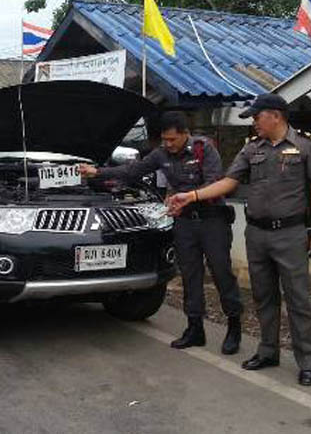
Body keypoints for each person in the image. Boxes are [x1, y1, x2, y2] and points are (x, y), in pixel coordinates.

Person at [168, 93, 311, 387]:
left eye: (257, 117)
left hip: (290, 234)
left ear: (276, 115)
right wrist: (190, 196)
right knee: (263, 296)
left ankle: (307, 360)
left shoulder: (306, 145)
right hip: (256, 234)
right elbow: (229, 182)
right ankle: (268, 351)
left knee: (298, 299)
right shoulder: (251, 149)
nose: (253, 123)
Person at [80, 112, 243, 354]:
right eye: (164, 140)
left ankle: (234, 328)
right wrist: (97, 172)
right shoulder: (161, 154)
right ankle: (194, 328)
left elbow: (213, 185)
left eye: (173, 140)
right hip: (184, 223)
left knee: (221, 273)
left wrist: (185, 198)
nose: (168, 145)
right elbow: (132, 171)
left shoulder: (204, 149)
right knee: (190, 275)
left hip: (211, 222)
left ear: (185, 134)